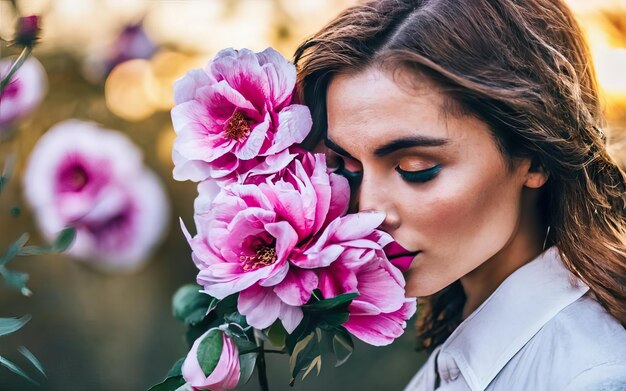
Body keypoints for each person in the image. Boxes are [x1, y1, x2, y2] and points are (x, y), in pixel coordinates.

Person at [293, 0, 626, 390]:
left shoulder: (591, 378)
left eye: (415, 169)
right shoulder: (467, 350)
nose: (367, 211)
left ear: (535, 159)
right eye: (349, 169)